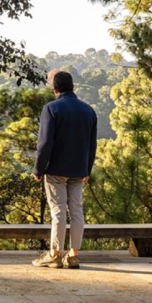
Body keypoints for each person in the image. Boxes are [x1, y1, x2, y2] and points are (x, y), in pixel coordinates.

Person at [33, 68, 98, 269]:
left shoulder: (51, 109)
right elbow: (92, 145)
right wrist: (87, 169)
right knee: (77, 210)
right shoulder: (88, 111)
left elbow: (45, 143)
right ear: (72, 87)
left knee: (58, 211)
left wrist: (38, 169)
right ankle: (73, 255)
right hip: (79, 170)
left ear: (55, 89)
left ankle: (54, 254)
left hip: (56, 170)